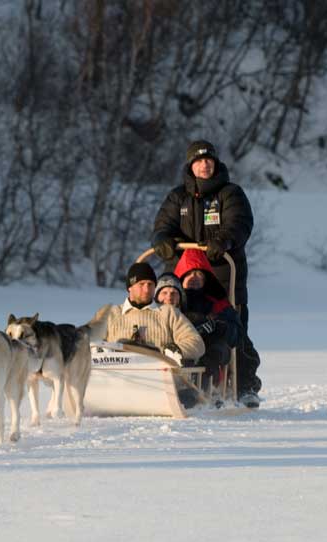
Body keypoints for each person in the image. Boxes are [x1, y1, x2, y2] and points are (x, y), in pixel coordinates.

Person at [150, 139, 262, 406]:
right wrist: (162, 240)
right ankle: (169, 382)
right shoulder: (178, 197)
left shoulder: (230, 193)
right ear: (191, 165)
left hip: (223, 276)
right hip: (184, 278)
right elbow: (163, 225)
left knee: (233, 331)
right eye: (199, 161)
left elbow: (240, 223)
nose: (204, 164)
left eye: (208, 160)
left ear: (216, 163)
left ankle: (245, 386)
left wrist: (223, 240)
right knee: (173, 330)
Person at [86, 262, 204, 364]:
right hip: (117, 380)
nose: (147, 289)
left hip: (162, 381)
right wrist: (98, 349)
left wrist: (176, 351)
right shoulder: (111, 314)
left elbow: (197, 343)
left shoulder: (168, 313)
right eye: (141, 284)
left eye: (150, 284)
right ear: (130, 287)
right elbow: (86, 341)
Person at [174, 249, 243, 399]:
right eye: (190, 273)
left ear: (206, 279)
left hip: (209, 351)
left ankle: (203, 392)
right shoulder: (171, 299)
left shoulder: (217, 303)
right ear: (181, 278)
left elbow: (236, 332)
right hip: (179, 350)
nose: (194, 277)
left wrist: (220, 327)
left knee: (217, 350)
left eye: (199, 274)